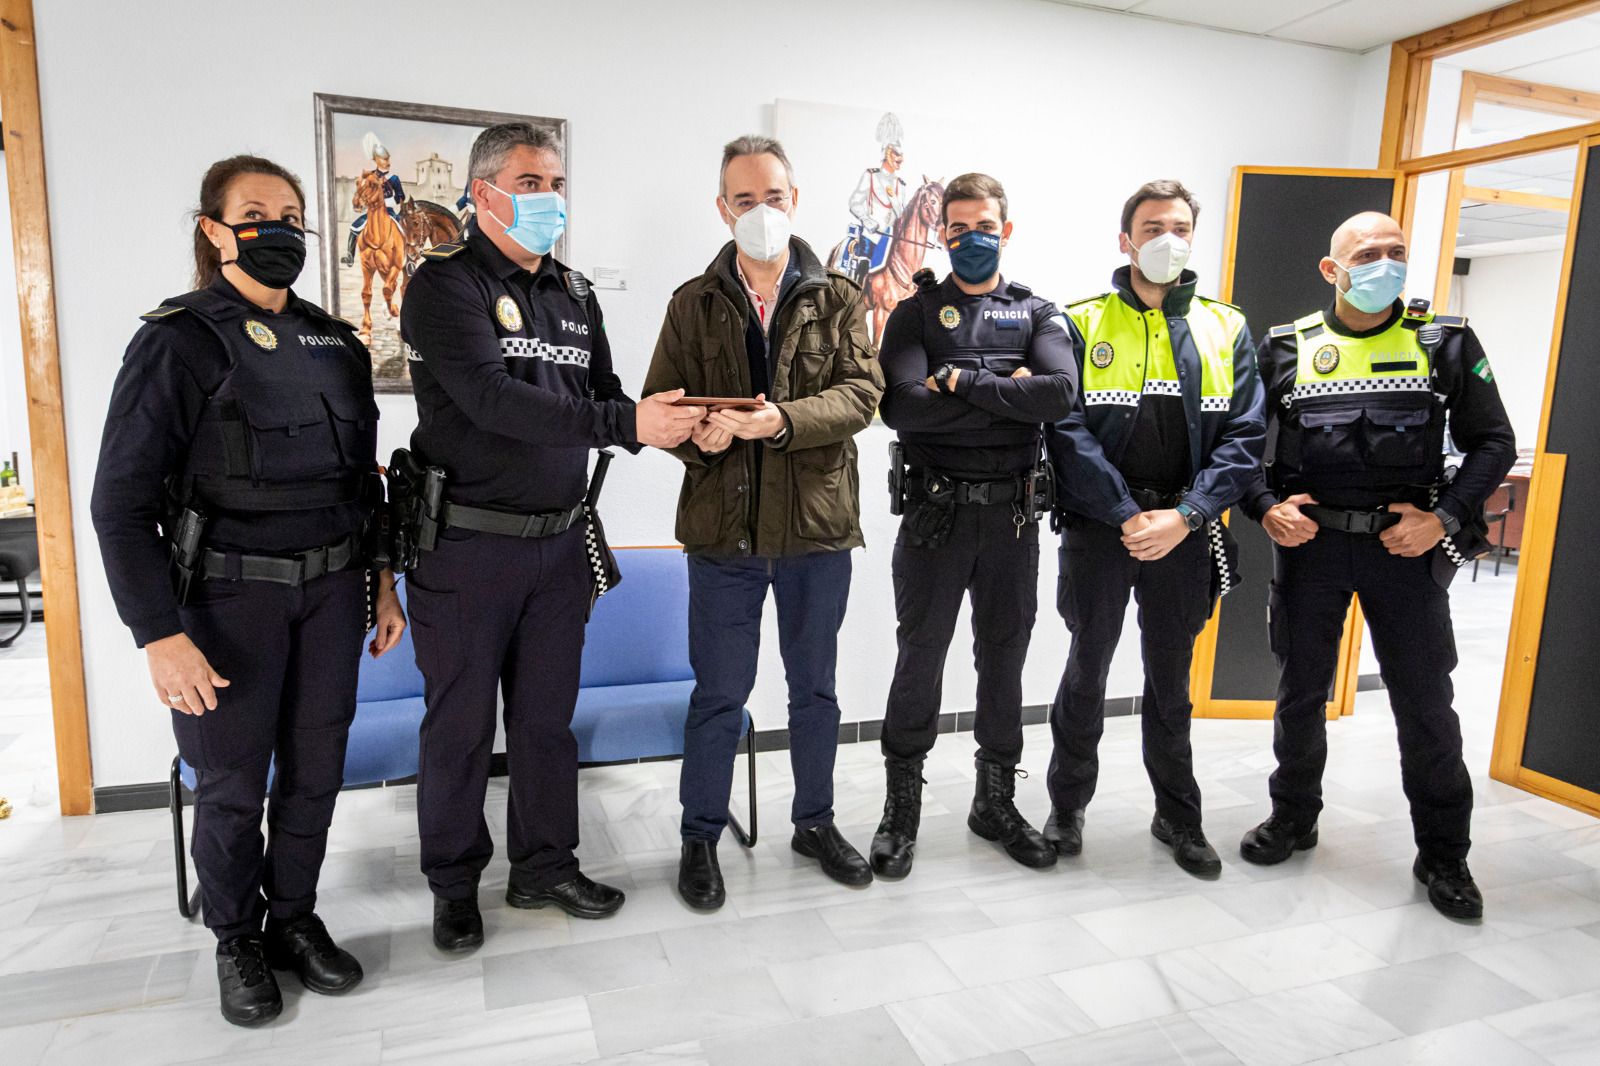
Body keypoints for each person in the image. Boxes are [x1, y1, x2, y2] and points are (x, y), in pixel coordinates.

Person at [91, 155, 407, 1026]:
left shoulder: (337, 343)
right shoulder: (177, 341)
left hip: (335, 596)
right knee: (231, 786)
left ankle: (294, 921)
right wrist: (157, 633)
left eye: (294, 214)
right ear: (214, 229)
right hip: (225, 606)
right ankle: (236, 936)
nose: (280, 229)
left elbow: (364, 485)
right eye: (258, 212)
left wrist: (383, 584)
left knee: (315, 776)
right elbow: (118, 504)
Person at [400, 122, 702, 950]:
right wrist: (626, 421)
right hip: (464, 546)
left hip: (560, 545)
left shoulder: (573, 293)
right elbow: (494, 401)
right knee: (459, 726)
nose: (550, 199)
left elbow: (603, 394)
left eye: (557, 182)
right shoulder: (443, 287)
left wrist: (665, 418)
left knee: (544, 721)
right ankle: (454, 884)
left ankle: (544, 866)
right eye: (532, 183)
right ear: (485, 191)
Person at [1239, 211, 1515, 919]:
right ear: (1333, 270)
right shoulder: (1287, 348)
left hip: (1406, 550)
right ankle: (1292, 818)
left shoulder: (1442, 343)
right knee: (1301, 694)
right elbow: (1237, 446)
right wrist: (1267, 506)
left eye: (1396, 252)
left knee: (1425, 706)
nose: (1384, 263)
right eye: (1368, 253)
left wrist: (1445, 518)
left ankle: (1445, 855)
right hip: (1313, 551)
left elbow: (1492, 443)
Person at [643, 135, 884, 911]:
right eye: (744, 201)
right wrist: (700, 436)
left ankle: (814, 823)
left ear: (795, 200)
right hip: (723, 534)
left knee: (814, 691)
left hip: (815, 529)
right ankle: (699, 837)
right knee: (719, 692)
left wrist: (779, 419)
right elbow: (662, 409)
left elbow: (860, 397)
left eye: (772, 198)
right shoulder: (692, 302)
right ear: (722, 208)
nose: (760, 212)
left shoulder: (841, 297)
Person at [1041, 180, 1265, 877]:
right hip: (1100, 527)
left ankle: (1179, 815)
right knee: (1086, 670)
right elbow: (1066, 431)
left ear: (1192, 235)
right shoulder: (1077, 321)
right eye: (1150, 225)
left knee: (1170, 682)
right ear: (1125, 239)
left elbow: (1245, 437)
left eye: (1178, 225)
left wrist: (1187, 515)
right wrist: (1125, 513)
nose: (1165, 237)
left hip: (1185, 529)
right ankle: (1067, 806)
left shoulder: (1227, 326)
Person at [871, 173, 1078, 878]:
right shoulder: (915, 314)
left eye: (983, 224)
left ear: (1006, 229)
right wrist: (1005, 394)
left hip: (1012, 521)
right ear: (943, 234)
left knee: (1004, 661)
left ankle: (995, 803)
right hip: (935, 517)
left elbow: (1056, 394)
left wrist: (956, 382)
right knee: (919, 658)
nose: (969, 238)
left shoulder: (1040, 313)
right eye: (956, 228)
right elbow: (903, 408)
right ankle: (901, 811)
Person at [839, 113, 908, 285]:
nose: (899, 160)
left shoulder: (901, 185)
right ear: (887, 153)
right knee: (863, 265)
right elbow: (854, 202)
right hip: (872, 234)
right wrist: (866, 219)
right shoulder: (871, 176)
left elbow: (901, 215)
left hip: (891, 238)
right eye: (895, 154)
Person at [342, 133, 406, 266]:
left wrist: (385, 203)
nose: (388, 162)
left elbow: (401, 196)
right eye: (384, 159)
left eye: (388, 159)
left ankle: (408, 261)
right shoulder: (369, 176)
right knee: (354, 227)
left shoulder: (394, 178)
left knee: (404, 230)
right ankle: (350, 255)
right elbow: (362, 194)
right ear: (376, 160)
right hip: (372, 211)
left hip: (388, 211)